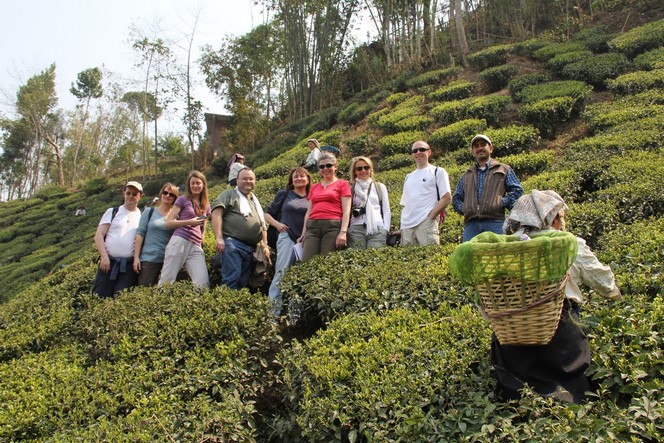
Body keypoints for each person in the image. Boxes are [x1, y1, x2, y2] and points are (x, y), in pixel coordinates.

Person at [492, 190, 621, 404]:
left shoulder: (502, 248)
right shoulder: (567, 243)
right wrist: (615, 295)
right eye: (561, 217)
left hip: (512, 338)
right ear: (551, 218)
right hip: (558, 337)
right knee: (570, 396)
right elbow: (601, 279)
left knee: (519, 399)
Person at [452, 134, 523, 242]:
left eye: (483, 145)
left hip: (495, 222)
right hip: (471, 225)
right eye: (476, 146)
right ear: (473, 152)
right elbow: (456, 198)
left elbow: (517, 191)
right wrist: (465, 207)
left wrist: (501, 202)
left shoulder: (503, 169)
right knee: (470, 256)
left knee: (497, 255)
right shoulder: (466, 175)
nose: (480, 148)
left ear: (490, 148)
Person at [211, 167, 271, 289]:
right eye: (244, 178)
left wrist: (264, 245)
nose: (248, 181)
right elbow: (216, 213)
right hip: (233, 244)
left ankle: (236, 306)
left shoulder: (254, 200)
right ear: (237, 180)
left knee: (242, 282)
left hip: (250, 248)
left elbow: (262, 224)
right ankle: (224, 306)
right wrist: (219, 237)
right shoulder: (229, 194)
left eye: (251, 179)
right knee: (231, 278)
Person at [264, 167, 311, 316]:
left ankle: (294, 316)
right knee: (281, 273)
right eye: (295, 177)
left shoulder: (312, 196)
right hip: (287, 237)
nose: (299, 179)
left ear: (308, 179)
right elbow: (267, 214)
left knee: (298, 276)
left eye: (302, 176)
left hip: (305, 240)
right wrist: (278, 225)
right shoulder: (284, 195)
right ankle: (273, 315)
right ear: (291, 180)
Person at [158, 171, 211, 289]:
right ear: (189, 185)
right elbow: (169, 222)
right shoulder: (182, 200)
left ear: (203, 185)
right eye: (192, 183)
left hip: (196, 246)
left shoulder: (206, 204)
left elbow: (205, 219)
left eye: (198, 183)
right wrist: (189, 222)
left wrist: (202, 235)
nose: (195, 186)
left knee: (202, 283)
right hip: (180, 241)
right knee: (167, 280)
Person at [93, 181, 143, 297]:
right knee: (99, 297)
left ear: (140, 196)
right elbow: (98, 235)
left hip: (128, 267)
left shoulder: (142, 217)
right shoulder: (113, 212)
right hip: (108, 263)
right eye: (128, 193)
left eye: (134, 194)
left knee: (121, 299)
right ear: (124, 193)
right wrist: (104, 257)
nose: (131, 196)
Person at [299, 153, 352, 261]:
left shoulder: (343, 184)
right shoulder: (314, 187)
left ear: (335, 166)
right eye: (321, 166)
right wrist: (303, 233)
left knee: (326, 261)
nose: (325, 169)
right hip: (313, 227)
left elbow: (346, 211)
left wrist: (343, 232)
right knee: (307, 262)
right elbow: (309, 211)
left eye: (328, 165)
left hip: (332, 227)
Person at [399, 140, 451, 246]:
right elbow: (407, 203)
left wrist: (431, 217)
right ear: (412, 154)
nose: (418, 152)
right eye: (415, 151)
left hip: (426, 223)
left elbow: (446, 197)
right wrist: (402, 227)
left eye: (422, 149)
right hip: (407, 226)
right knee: (408, 260)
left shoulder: (438, 171)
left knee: (429, 259)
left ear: (429, 152)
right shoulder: (408, 177)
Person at [133, 183, 178, 286]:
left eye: (171, 195)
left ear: (175, 198)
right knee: (144, 291)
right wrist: (136, 258)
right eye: (165, 193)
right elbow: (140, 234)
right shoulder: (149, 212)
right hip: (149, 259)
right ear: (161, 194)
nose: (167, 196)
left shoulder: (176, 217)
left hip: (168, 261)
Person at [347, 156, 391, 249]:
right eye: (359, 168)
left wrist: (386, 229)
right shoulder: (351, 189)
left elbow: (386, 209)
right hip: (356, 228)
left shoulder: (380, 187)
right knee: (356, 258)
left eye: (366, 167)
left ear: (370, 170)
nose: (363, 170)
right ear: (355, 171)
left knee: (374, 258)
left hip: (377, 228)